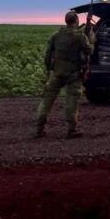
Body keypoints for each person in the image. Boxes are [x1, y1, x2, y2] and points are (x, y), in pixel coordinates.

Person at [35, 10, 93, 139]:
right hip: (73, 75)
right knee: (72, 101)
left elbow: (48, 55)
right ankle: (72, 129)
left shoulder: (56, 35)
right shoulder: (79, 36)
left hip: (57, 73)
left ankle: (39, 128)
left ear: (66, 21)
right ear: (76, 21)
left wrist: (50, 69)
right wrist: (91, 39)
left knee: (46, 100)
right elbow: (89, 51)